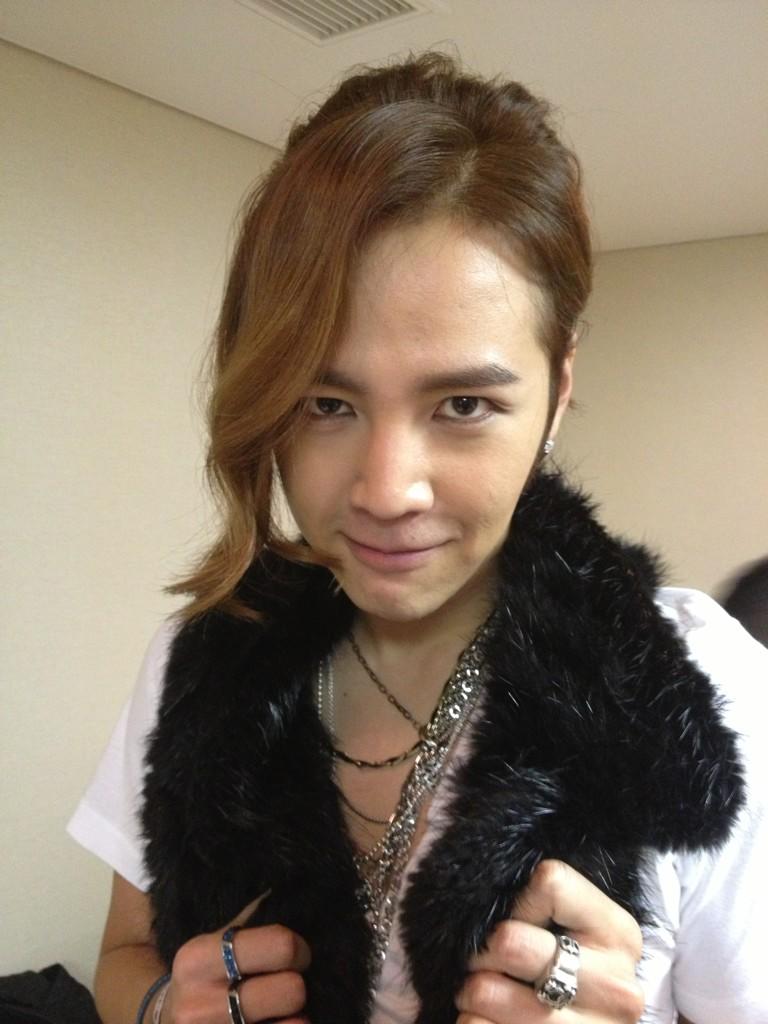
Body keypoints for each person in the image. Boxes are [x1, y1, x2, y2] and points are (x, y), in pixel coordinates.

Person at [68, 53, 768, 1024]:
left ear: (558, 389)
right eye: (326, 401)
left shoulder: (701, 691)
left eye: (463, 404)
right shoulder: (209, 653)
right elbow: (124, 954)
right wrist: (159, 1010)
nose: (387, 490)